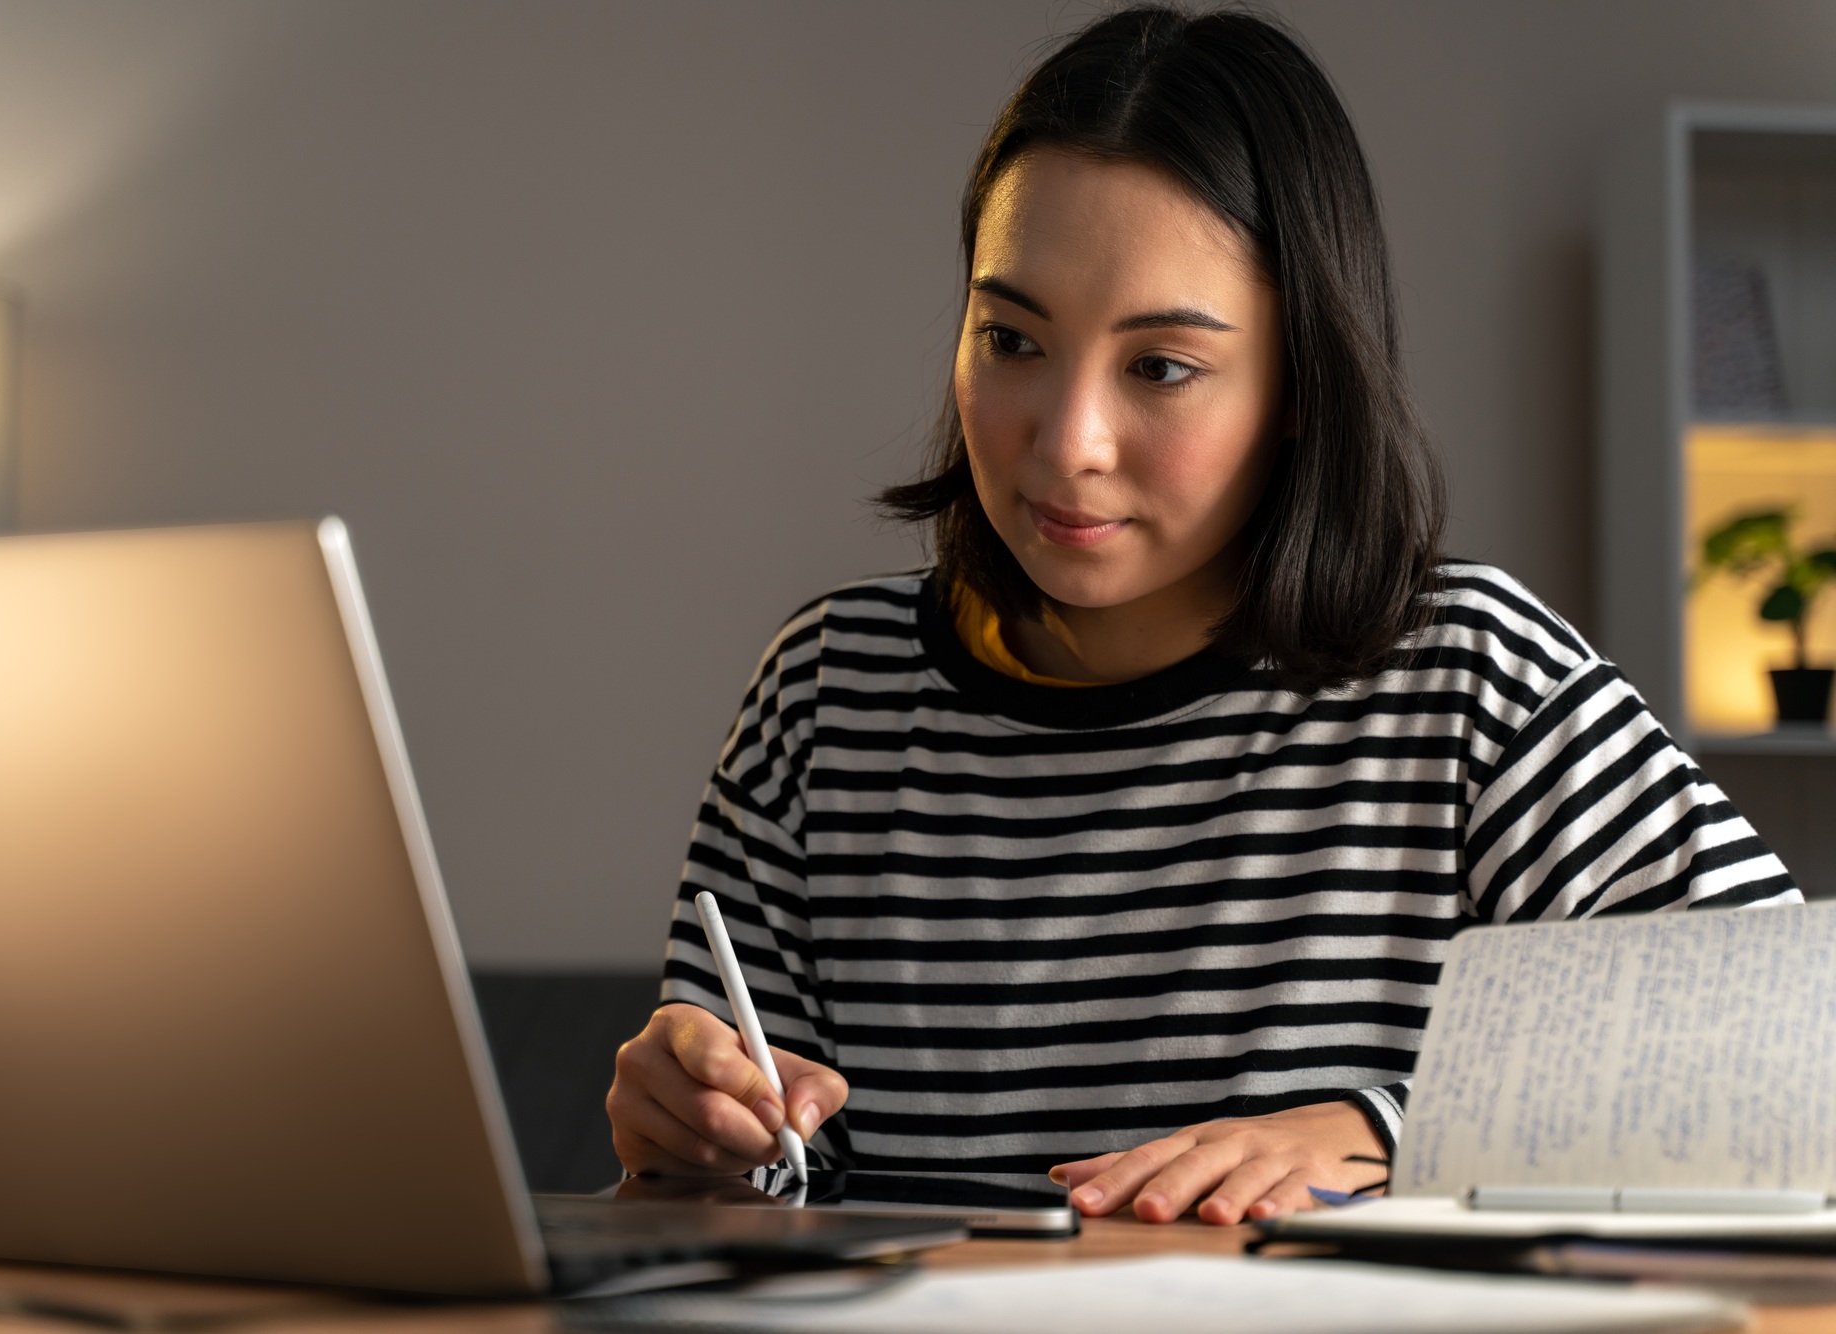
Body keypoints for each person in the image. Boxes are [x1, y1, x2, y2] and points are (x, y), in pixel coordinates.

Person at [604, 4, 1799, 1227]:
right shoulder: (825, 697)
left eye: (1159, 366)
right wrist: (689, 1153)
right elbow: (758, 1188)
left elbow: (1798, 1054)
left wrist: (1391, 1129)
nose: (1065, 443)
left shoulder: (1473, 682)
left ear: (1297, 384)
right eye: (1010, 337)